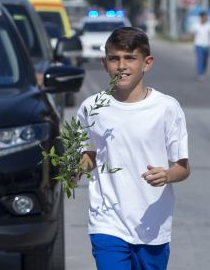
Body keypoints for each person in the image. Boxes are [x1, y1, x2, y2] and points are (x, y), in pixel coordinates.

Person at [78, 27, 190, 270]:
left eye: (130, 58)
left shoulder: (166, 108)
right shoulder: (92, 107)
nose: (121, 66)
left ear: (147, 63)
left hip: (152, 224)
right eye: (114, 58)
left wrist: (166, 175)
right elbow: (88, 154)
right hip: (107, 222)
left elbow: (182, 167)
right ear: (104, 62)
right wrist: (73, 167)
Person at [191, 11, 210, 80]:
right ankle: (200, 73)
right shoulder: (196, 25)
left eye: (206, 17)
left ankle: (203, 71)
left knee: (205, 61)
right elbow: (192, 34)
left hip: (207, 46)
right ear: (201, 17)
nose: (206, 18)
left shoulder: (208, 25)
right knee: (200, 60)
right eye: (204, 17)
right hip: (198, 45)